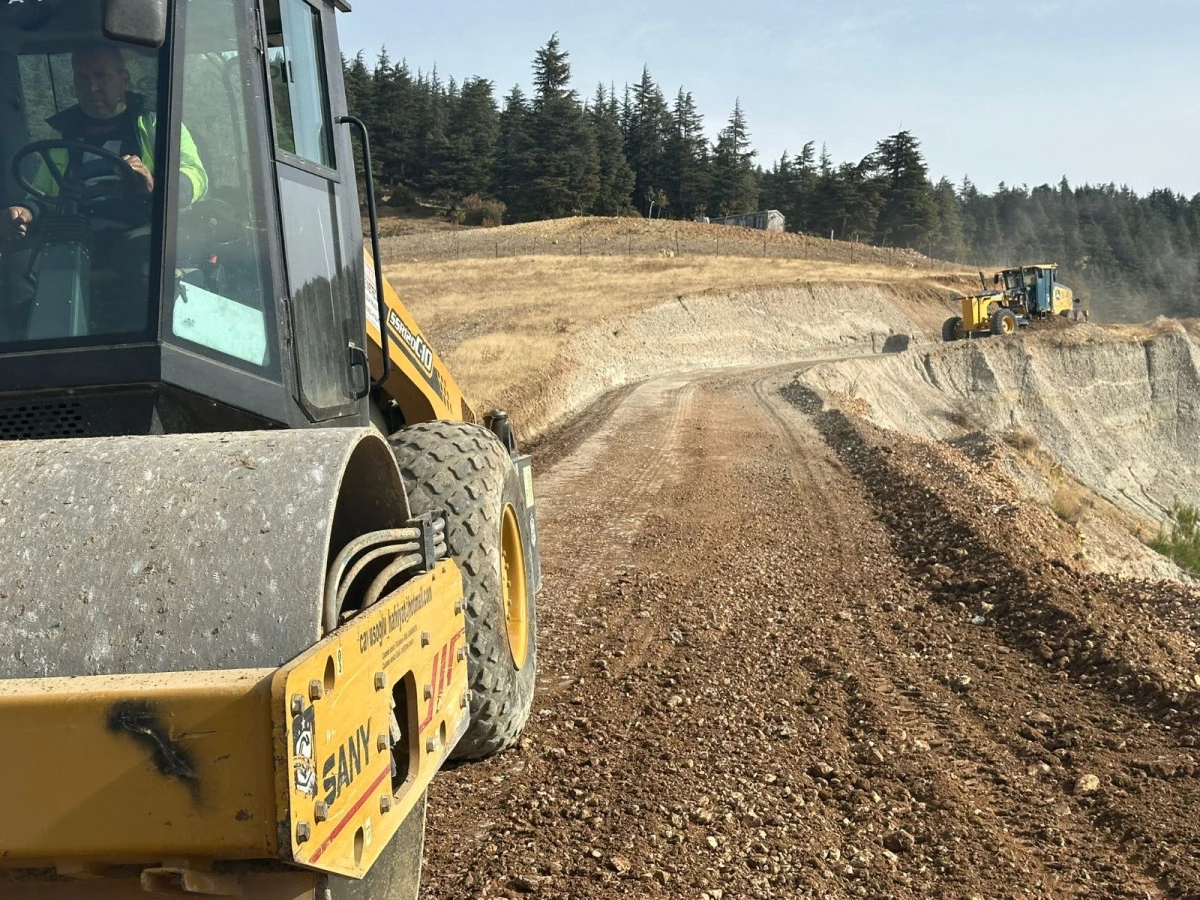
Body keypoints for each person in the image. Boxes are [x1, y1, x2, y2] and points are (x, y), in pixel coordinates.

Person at [2, 43, 208, 241]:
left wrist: (155, 184)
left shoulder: (158, 124)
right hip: (74, 233)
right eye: (82, 78)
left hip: (144, 234)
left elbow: (196, 177)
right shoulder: (61, 135)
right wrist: (25, 211)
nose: (91, 87)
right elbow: (44, 197)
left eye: (101, 76)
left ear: (124, 80)